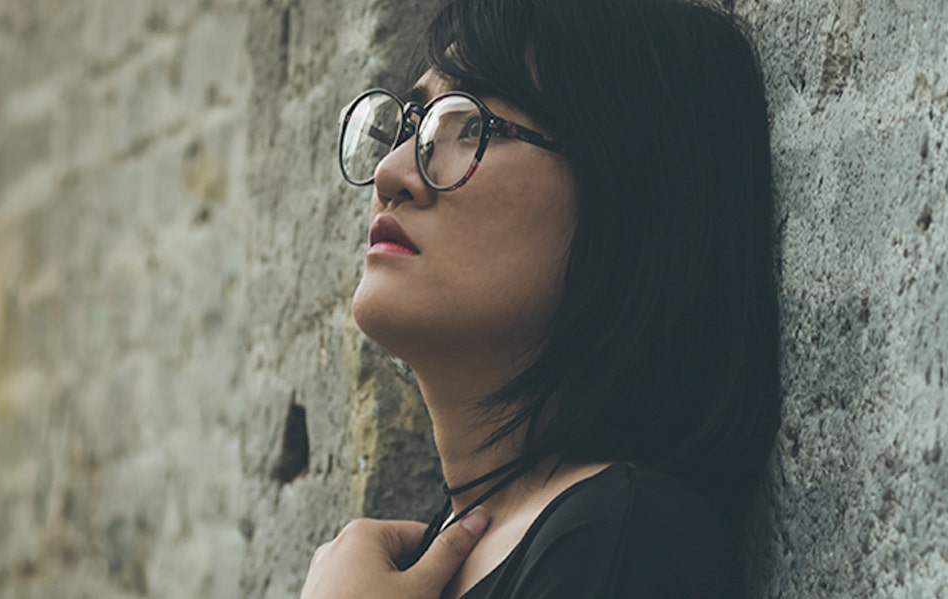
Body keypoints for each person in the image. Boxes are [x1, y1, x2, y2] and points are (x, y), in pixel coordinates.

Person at [303, 0, 780, 596]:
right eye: (412, 124)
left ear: (628, 199)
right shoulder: (409, 573)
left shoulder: (628, 542)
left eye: (473, 125)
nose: (392, 173)